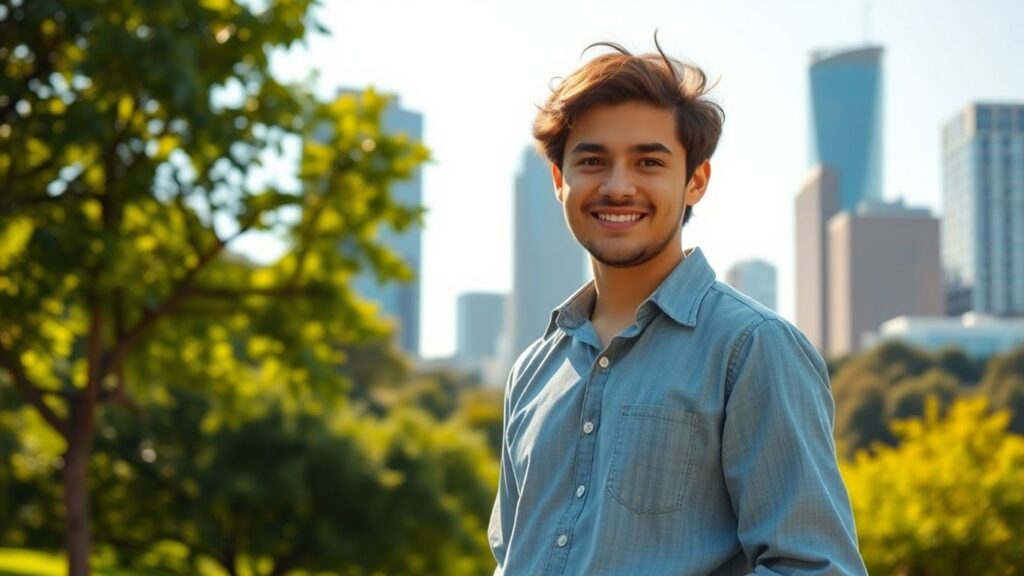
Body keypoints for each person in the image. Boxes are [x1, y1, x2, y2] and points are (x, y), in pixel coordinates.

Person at [487, 40, 867, 576]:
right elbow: (510, 558)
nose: (618, 187)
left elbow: (813, 567)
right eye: (593, 161)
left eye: (648, 161)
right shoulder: (531, 370)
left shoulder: (753, 349)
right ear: (559, 181)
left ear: (695, 181)